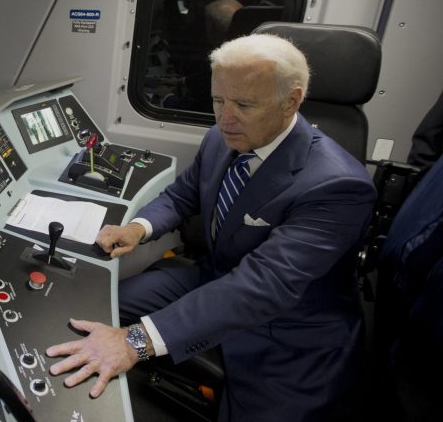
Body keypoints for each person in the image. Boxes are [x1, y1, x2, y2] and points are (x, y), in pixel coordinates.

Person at [46, 34, 377, 421]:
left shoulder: (338, 186)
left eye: (244, 104)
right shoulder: (222, 139)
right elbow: (183, 195)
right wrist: (137, 228)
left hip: (290, 327)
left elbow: (262, 285)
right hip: (214, 276)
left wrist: (135, 341)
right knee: (88, 307)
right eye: (218, 100)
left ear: (291, 101)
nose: (225, 117)